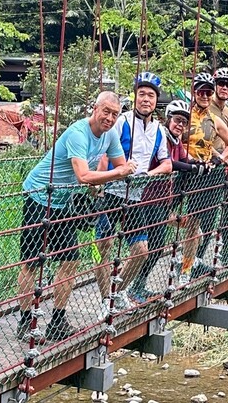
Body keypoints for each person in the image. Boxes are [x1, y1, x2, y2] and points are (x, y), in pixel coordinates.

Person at [16, 91, 136, 342]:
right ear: (94, 109)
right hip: (39, 196)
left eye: (115, 114)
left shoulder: (110, 135)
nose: (110, 118)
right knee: (31, 262)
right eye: (106, 111)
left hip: (63, 202)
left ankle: (57, 320)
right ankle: (26, 321)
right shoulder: (78, 133)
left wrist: (105, 179)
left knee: (70, 259)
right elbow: (88, 175)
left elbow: (120, 165)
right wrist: (112, 175)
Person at [95, 73, 172, 313]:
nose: (145, 99)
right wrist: (99, 185)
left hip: (135, 196)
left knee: (141, 250)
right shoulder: (122, 121)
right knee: (104, 248)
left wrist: (148, 175)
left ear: (156, 99)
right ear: (135, 97)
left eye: (150, 95)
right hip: (110, 193)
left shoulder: (159, 129)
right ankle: (105, 300)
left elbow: (167, 163)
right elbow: (105, 153)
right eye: (141, 94)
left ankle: (117, 294)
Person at [130, 100, 211, 297]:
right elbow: (171, 163)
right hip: (148, 198)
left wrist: (200, 164)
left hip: (163, 200)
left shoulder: (176, 142)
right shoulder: (161, 137)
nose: (180, 125)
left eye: (184, 122)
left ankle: (138, 286)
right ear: (168, 119)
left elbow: (184, 160)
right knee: (149, 246)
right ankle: (131, 288)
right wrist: (191, 167)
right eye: (177, 120)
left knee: (156, 246)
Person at [184, 72, 228, 279]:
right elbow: (175, 139)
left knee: (204, 220)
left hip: (210, 173)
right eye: (201, 91)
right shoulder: (188, 113)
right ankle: (185, 264)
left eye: (208, 92)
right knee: (187, 221)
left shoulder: (220, 115)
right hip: (189, 172)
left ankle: (191, 264)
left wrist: (220, 158)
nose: (205, 95)